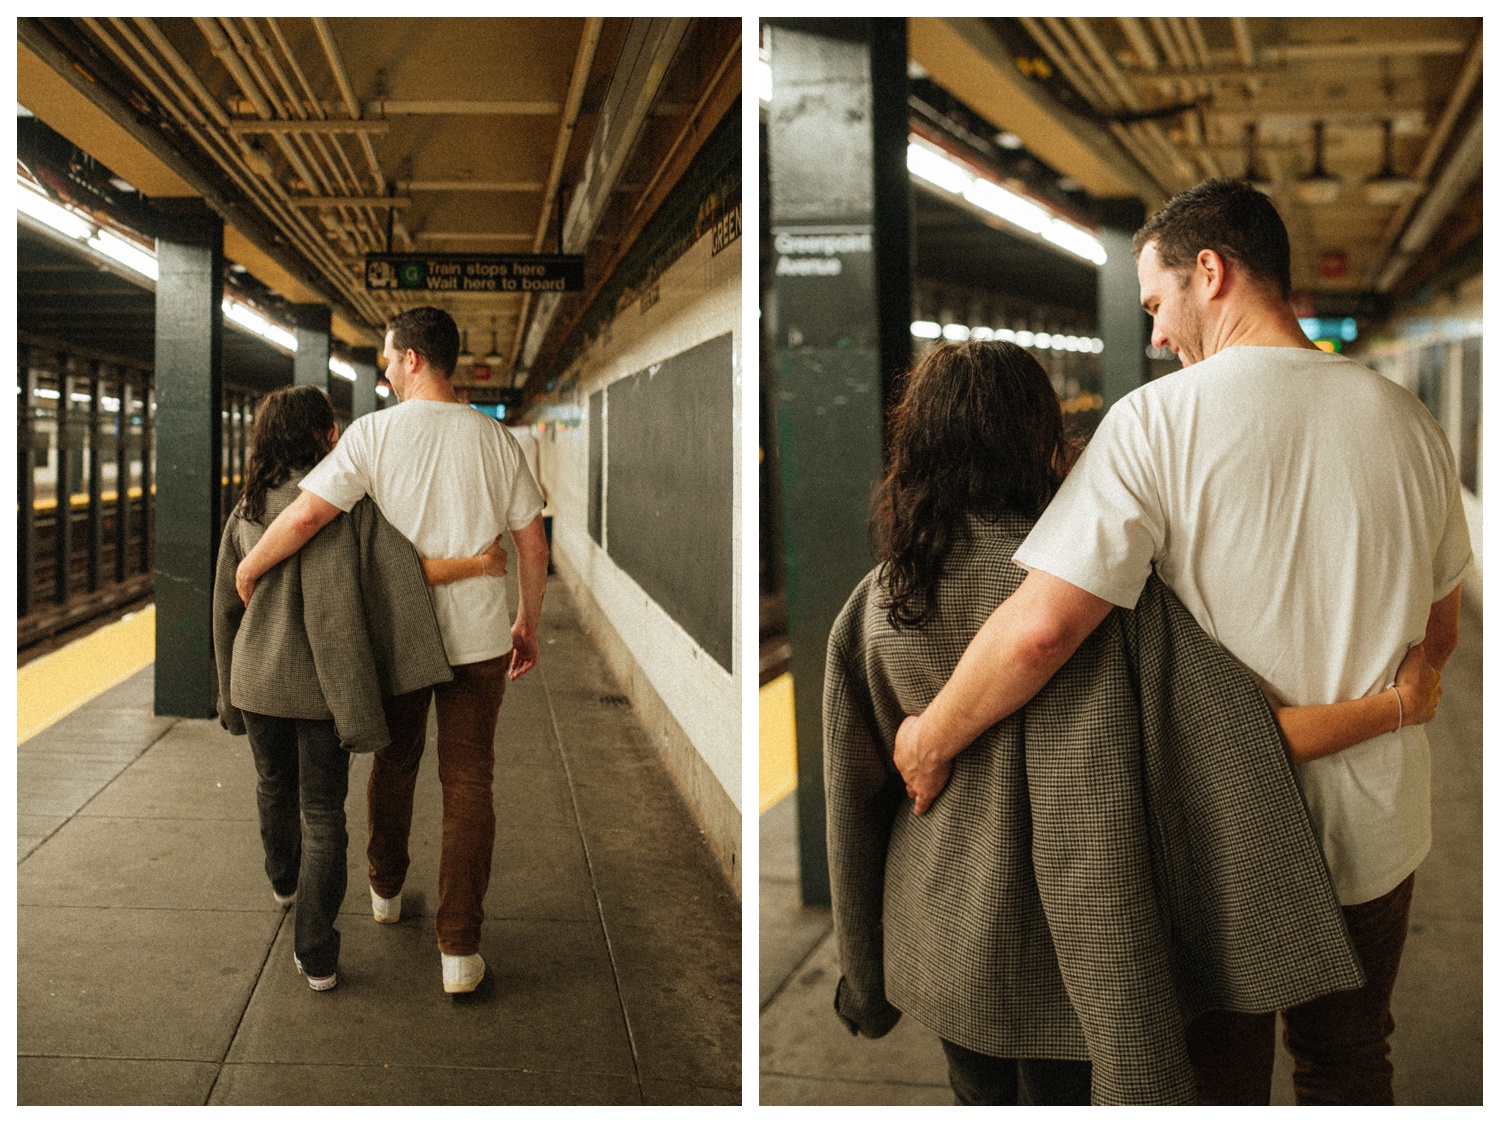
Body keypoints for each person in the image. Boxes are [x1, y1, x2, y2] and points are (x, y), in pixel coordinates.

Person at [892, 180, 1470, 1104]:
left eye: (1157, 303)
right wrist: (1409, 695)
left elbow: (1040, 630)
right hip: (1377, 824)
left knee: (1214, 1082)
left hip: (1217, 838)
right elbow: (1437, 624)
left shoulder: (1153, 425)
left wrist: (930, 739)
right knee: (1350, 1059)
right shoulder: (1407, 421)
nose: (1157, 334)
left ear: (1212, 271)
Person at [234, 307, 549, 996]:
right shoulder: (496, 440)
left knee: (395, 764)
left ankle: (384, 884)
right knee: (469, 784)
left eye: (387, 355)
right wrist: (527, 619)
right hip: (477, 642)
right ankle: (460, 951)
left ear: (411, 357)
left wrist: (251, 564)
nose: (382, 366)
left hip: (396, 639)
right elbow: (531, 540)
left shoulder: (373, 435)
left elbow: (309, 515)